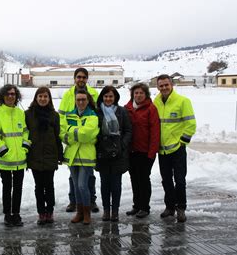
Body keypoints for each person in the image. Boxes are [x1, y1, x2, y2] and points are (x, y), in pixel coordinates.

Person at [154, 74, 196, 223]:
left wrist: (182, 142)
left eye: (166, 85)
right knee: (166, 180)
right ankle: (169, 207)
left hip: (177, 149)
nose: (164, 88)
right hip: (162, 150)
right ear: (158, 87)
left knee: (180, 180)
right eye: (161, 85)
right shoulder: (156, 102)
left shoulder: (183, 101)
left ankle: (181, 209)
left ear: (172, 85)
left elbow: (190, 124)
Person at [58, 67, 99, 213]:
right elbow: (62, 117)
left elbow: (96, 117)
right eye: (78, 77)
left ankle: (91, 201)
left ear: (87, 79)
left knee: (89, 176)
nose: (81, 79)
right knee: (73, 177)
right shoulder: (68, 95)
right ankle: (73, 201)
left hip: (87, 145)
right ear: (74, 79)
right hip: (73, 144)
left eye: (83, 77)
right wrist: (65, 137)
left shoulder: (94, 93)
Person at [0, 84, 30, 227]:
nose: (10, 96)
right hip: (5, 160)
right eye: (7, 94)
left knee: (18, 187)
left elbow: (26, 131)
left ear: (16, 96)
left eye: (13, 94)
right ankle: (8, 215)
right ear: (2, 96)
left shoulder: (20, 113)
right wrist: (4, 151)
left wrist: (25, 146)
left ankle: (17, 214)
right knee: (7, 187)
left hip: (20, 158)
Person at [25, 86, 63, 225]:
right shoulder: (28, 114)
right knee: (38, 186)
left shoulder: (54, 115)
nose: (42, 99)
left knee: (49, 185)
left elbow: (57, 136)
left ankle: (50, 211)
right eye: (40, 96)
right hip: (34, 155)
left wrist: (60, 154)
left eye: (45, 96)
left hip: (50, 155)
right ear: (36, 98)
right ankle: (41, 212)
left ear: (49, 99)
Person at [96, 86, 132, 222]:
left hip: (118, 154)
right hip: (102, 153)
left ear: (115, 97)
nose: (108, 99)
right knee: (104, 183)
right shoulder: (97, 112)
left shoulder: (122, 112)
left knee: (116, 184)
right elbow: (94, 130)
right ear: (102, 97)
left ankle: (115, 211)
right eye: (106, 96)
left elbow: (128, 130)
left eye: (111, 96)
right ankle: (106, 210)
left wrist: (122, 145)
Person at [124, 83, 160, 218]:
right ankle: (136, 205)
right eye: (136, 93)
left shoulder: (151, 109)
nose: (138, 95)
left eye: (141, 93)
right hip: (131, 151)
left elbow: (155, 132)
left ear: (146, 95)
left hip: (145, 152)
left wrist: (152, 153)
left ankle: (145, 207)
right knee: (134, 179)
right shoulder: (127, 108)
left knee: (143, 179)